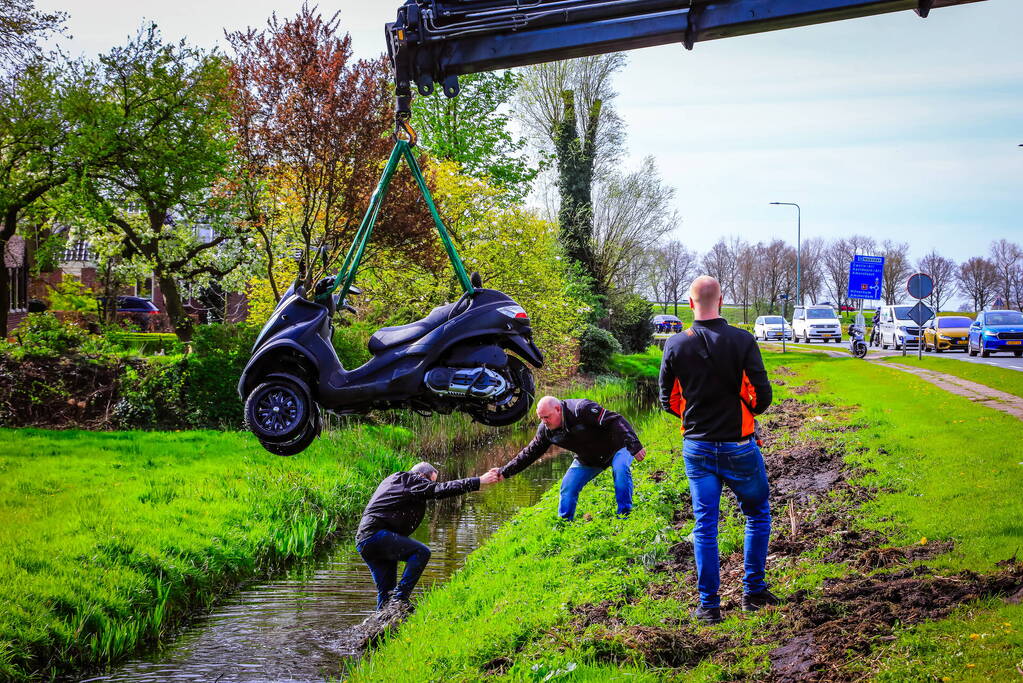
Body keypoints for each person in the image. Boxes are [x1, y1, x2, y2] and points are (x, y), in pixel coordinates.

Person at [658, 275, 777, 625]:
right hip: (739, 445)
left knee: (705, 523)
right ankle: (753, 592)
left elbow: (668, 399)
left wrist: (694, 416)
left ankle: (708, 606)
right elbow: (763, 394)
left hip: (696, 447)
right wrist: (746, 412)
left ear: (690, 304)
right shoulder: (743, 340)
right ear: (721, 300)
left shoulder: (675, 344)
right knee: (756, 514)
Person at [356, 462, 502, 610]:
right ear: (421, 475)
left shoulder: (397, 480)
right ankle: (399, 599)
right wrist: (479, 481)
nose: (430, 486)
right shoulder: (411, 480)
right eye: (430, 481)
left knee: (386, 592)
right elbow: (441, 489)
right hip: (376, 535)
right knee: (421, 552)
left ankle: (383, 628)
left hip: (365, 540)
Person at [498, 396, 646, 520]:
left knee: (620, 469)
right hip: (589, 459)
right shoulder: (545, 430)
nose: (544, 421)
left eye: (547, 417)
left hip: (618, 446)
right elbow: (529, 453)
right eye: (540, 418)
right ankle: (564, 523)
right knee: (568, 487)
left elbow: (615, 420)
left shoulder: (581, 409)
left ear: (558, 409)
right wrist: (505, 472)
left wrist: (635, 445)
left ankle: (624, 515)